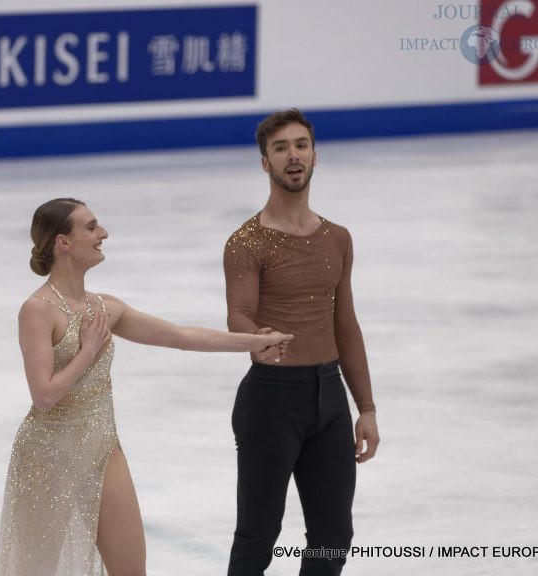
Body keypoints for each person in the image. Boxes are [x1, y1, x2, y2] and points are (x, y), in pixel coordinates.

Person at [0, 198, 292, 576]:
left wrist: (253, 343)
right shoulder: (37, 310)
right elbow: (45, 395)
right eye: (90, 227)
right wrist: (87, 351)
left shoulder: (106, 307)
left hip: (102, 448)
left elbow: (181, 336)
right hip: (47, 455)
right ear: (62, 242)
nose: (103, 234)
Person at [223, 109, 380, 575]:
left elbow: (346, 326)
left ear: (314, 155)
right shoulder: (246, 242)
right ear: (265, 163)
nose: (293, 156)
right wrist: (255, 338)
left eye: (301, 145)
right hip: (271, 400)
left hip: (329, 398)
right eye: (280, 148)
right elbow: (238, 312)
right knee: (257, 537)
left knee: (334, 536)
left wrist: (365, 407)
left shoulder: (337, 238)